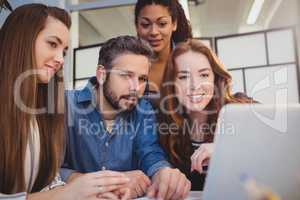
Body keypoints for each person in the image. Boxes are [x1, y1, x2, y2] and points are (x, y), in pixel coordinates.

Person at [0, 4, 130, 200]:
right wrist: (64, 194)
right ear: (22, 39)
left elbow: (46, 184)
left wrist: (93, 190)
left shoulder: (42, 112)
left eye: (64, 51)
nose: (60, 59)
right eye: (53, 44)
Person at [61, 35, 191, 199]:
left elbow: (150, 153)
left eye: (142, 78)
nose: (136, 88)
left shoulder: (143, 109)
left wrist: (162, 172)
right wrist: (101, 183)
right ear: (102, 75)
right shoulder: (65, 105)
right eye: (126, 75)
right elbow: (48, 171)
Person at [158, 39, 256, 190]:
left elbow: (282, 146)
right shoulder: (165, 126)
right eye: (183, 77)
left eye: (204, 75)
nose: (195, 86)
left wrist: (225, 149)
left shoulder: (241, 108)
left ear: (215, 78)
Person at [134, 0, 192, 103]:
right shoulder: (128, 65)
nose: (154, 32)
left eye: (162, 24)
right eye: (145, 24)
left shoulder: (191, 60)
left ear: (174, 24)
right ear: (137, 26)